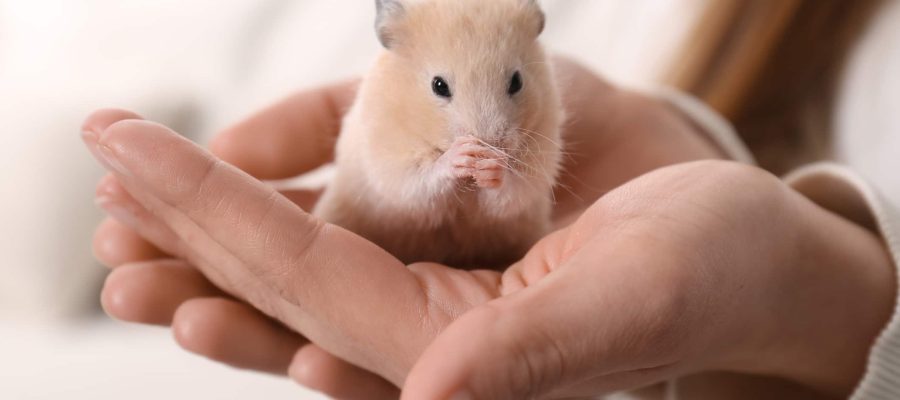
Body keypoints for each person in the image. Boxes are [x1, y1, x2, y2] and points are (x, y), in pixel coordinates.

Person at [84, 1, 900, 399]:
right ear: (399, 58)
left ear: (531, 55)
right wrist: (438, 171)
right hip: (378, 224)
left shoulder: (533, 91)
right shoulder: (385, 95)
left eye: (512, 88)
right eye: (444, 91)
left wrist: (808, 292)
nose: (492, 124)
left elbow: (521, 216)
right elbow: (389, 188)